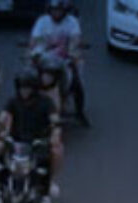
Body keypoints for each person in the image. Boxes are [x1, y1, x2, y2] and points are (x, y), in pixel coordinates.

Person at [0, 71, 59, 203]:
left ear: (34, 89)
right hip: (17, 141)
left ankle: (45, 196)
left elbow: (54, 119)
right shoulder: (13, 101)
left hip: (38, 142)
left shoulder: (46, 102)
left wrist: (54, 132)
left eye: (27, 88)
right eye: (22, 88)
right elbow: (3, 115)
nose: (24, 91)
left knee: (45, 163)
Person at [30, 0, 89, 128]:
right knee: (28, 79)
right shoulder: (42, 21)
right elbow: (35, 40)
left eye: (59, 10)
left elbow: (75, 39)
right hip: (45, 59)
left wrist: (73, 52)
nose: (56, 13)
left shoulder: (72, 22)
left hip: (65, 59)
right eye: (54, 10)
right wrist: (33, 52)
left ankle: (79, 112)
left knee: (77, 82)